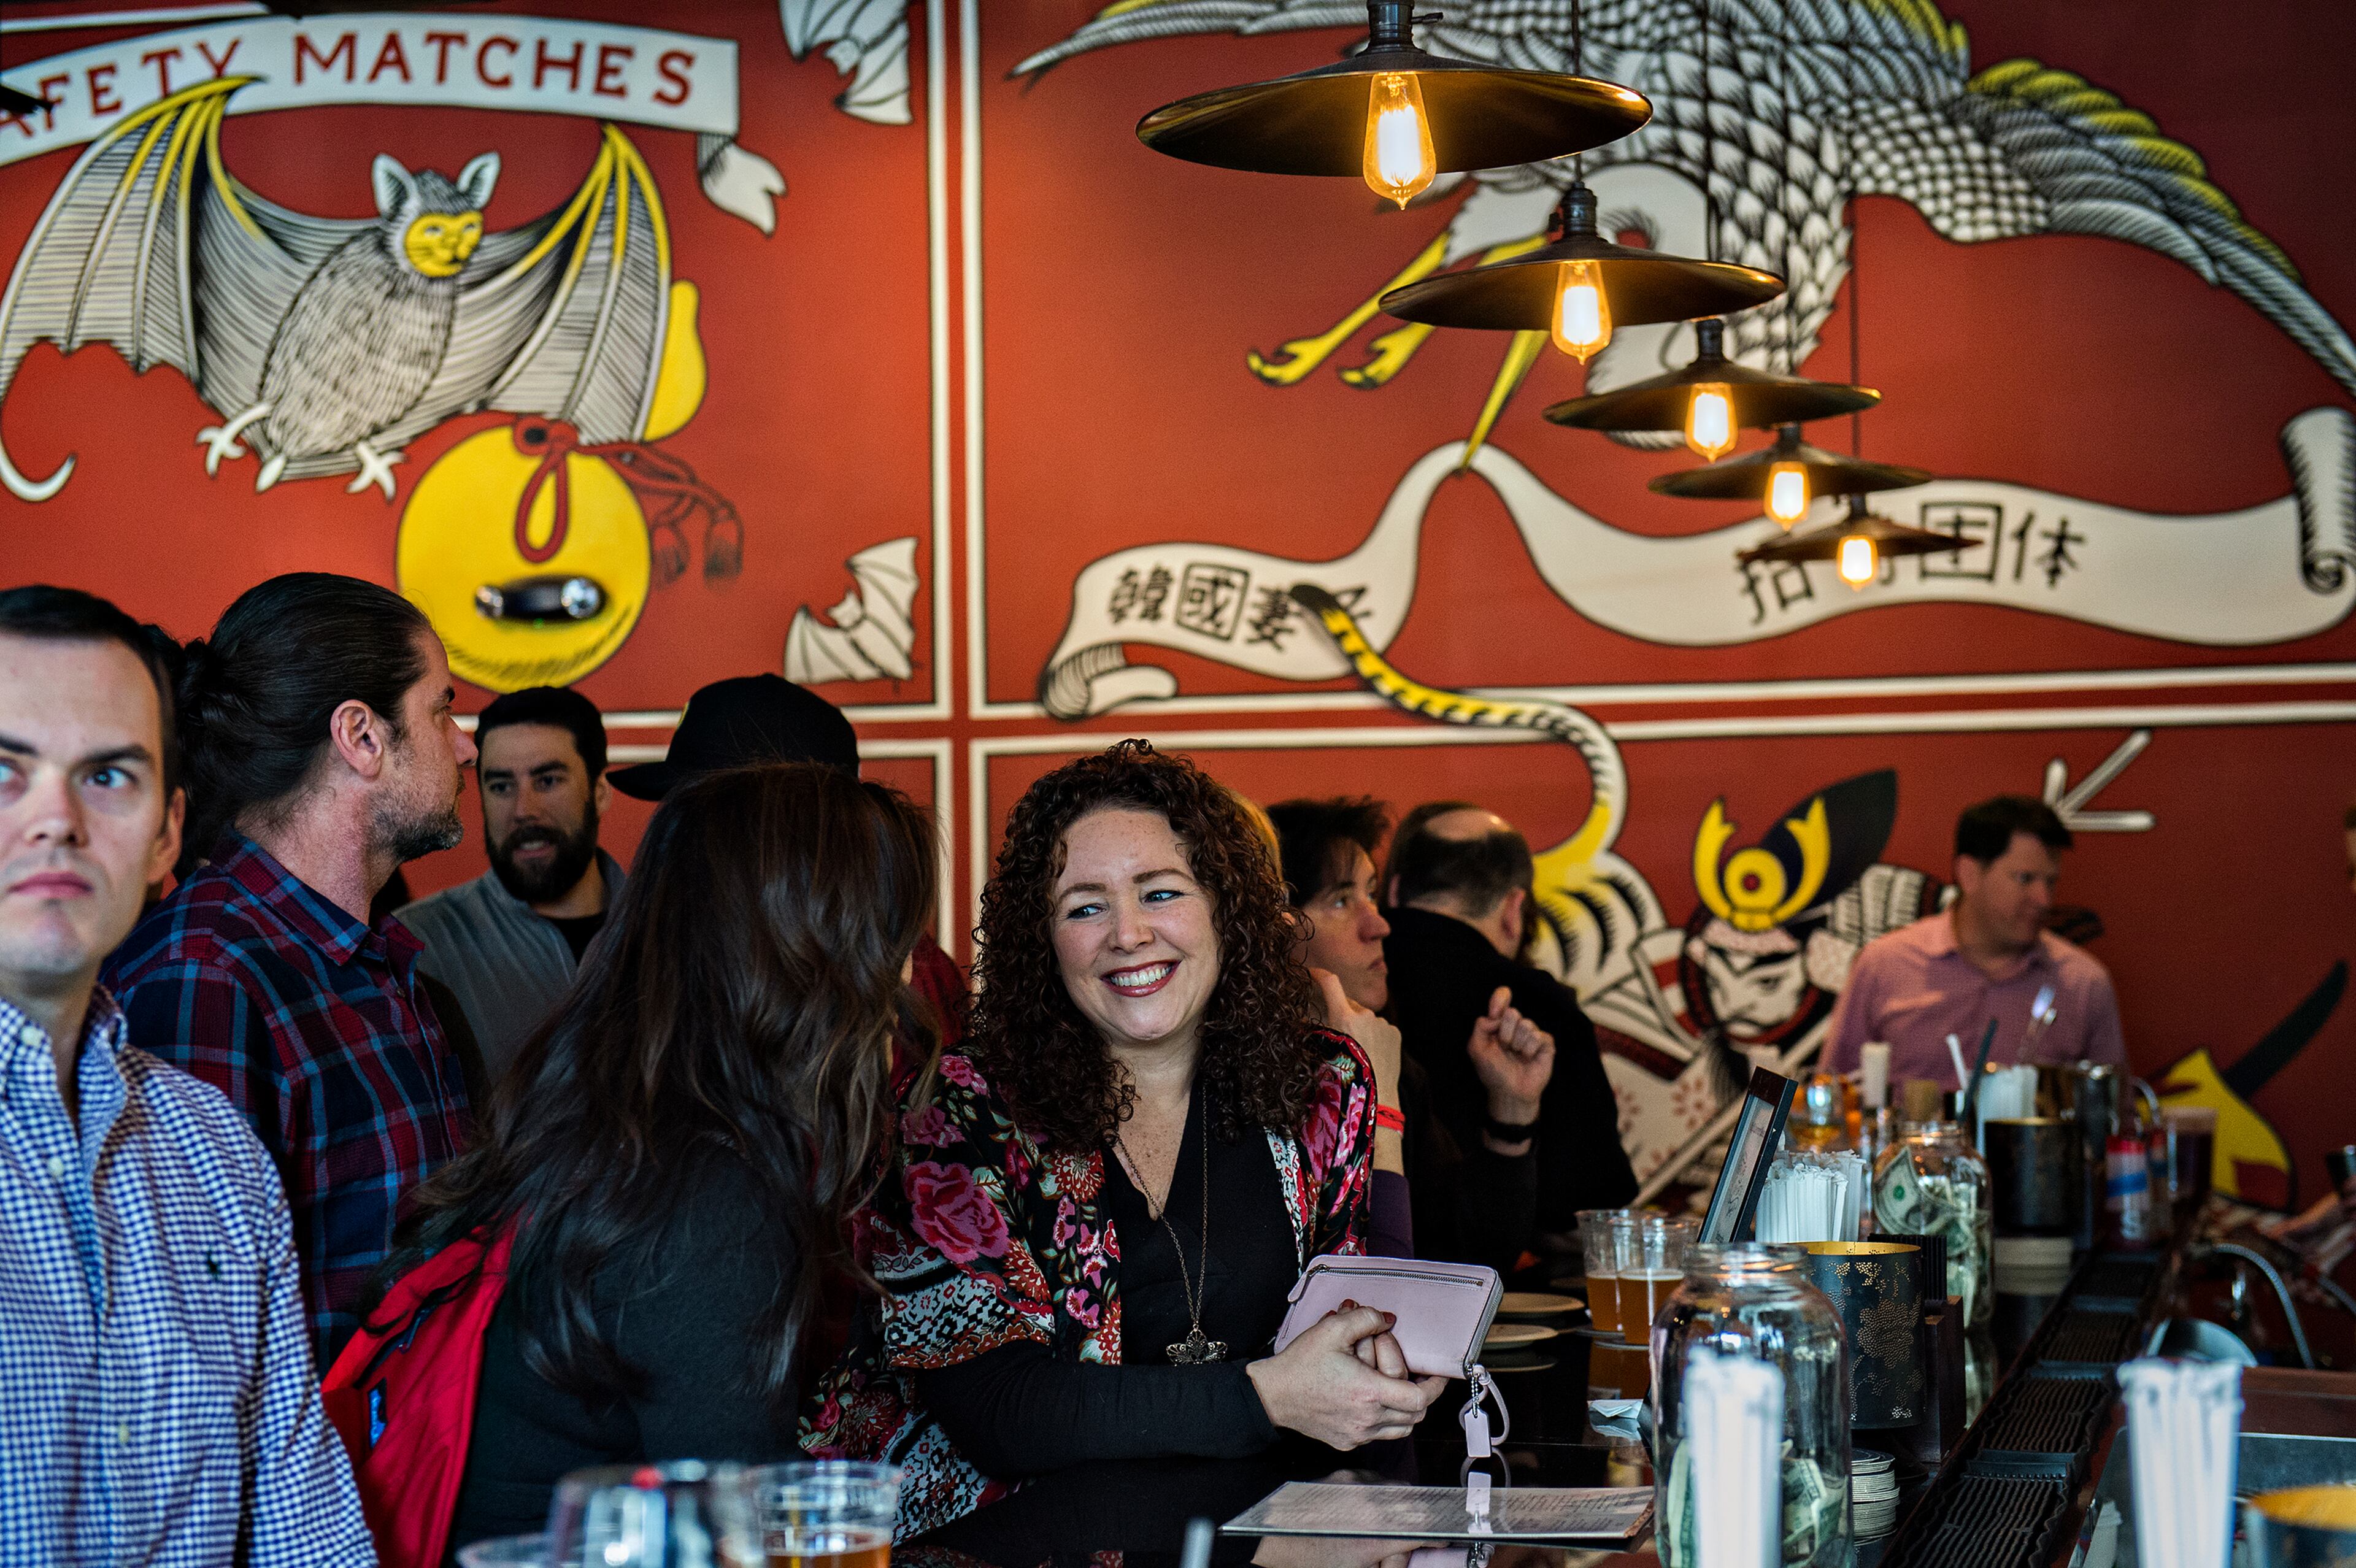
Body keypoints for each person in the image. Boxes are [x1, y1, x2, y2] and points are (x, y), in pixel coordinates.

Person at [807, 741, 1447, 1539]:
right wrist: (1266, 1396)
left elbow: (1361, 1334)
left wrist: (1378, 1370)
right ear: (1042, 940)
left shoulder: (1324, 1085)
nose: (1129, 933)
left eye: (1161, 892)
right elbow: (1003, 1413)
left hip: (1245, 1536)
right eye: (1085, 906)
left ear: (1226, 907)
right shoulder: (956, 1113)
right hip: (993, 1545)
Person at [381, 763, 939, 1554]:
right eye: (888, 938)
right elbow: (740, 1536)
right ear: (810, 957)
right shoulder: (707, 1198)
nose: (908, 977)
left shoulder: (630, 1128)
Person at [0, 585, 373, 1566]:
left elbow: (308, 1532)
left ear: (168, 833)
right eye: (4, 771)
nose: (57, 822)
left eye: (108, 777)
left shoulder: (214, 1150)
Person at [106, 572, 477, 1364]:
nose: (466, 742)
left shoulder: (373, 963)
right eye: (442, 708)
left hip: (411, 1476)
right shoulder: (204, 976)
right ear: (361, 737)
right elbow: (195, 1356)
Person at [609, 672, 966, 1051]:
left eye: (721, 821)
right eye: (680, 813)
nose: (688, 844)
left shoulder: (912, 977)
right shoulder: (650, 949)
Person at [1272, 796, 1547, 1269]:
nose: (1379, 924)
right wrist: (1375, 1107)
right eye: (1341, 899)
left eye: (1373, 893)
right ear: (1272, 925)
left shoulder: (1386, 1051)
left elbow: (1470, 1259)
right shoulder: (1237, 1075)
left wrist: (1512, 1108)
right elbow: (1367, 1281)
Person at [1381, 802, 1637, 1243]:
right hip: (1498, 1284)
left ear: (1393, 890)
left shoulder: (1342, 989)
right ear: (1514, 908)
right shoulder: (1538, 1007)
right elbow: (1594, 1200)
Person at [399, 685, 626, 1086]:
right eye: (502, 786)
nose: (524, 811)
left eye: (548, 781)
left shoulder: (669, 927)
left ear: (600, 791)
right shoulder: (415, 947)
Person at [1823, 795, 2125, 1084]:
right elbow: (1834, 1091)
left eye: (2051, 881)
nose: (2043, 899)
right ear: (1969, 874)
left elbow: (2114, 1122)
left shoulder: (2083, 984)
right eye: (2025, 879)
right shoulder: (1885, 964)